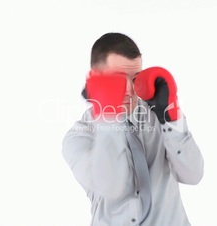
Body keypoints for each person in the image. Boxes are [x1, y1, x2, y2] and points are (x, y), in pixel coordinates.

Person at [62, 32, 204, 226]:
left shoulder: (159, 116)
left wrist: (172, 116)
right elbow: (112, 185)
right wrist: (108, 116)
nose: (130, 90)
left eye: (135, 78)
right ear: (96, 79)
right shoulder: (78, 137)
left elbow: (193, 175)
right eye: (119, 79)